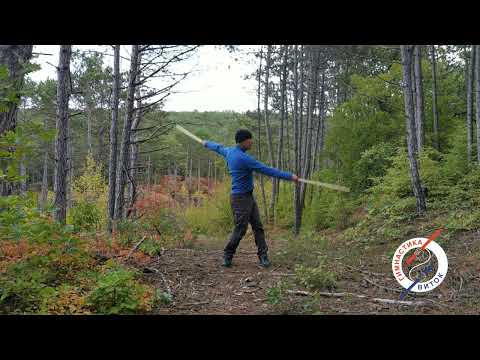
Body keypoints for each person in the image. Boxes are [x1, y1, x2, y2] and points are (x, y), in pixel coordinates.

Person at [202, 129, 299, 268]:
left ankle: (263, 256)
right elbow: (267, 170)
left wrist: (206, 143)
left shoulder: (229, 151)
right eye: (250, 139)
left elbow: (218, 147)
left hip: (247, 197)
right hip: (240, 199)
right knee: (240, 229)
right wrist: (290, 176)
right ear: (244, 141)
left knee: (258, 227)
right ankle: (227, 255)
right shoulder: (244, 159)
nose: (252, 142)